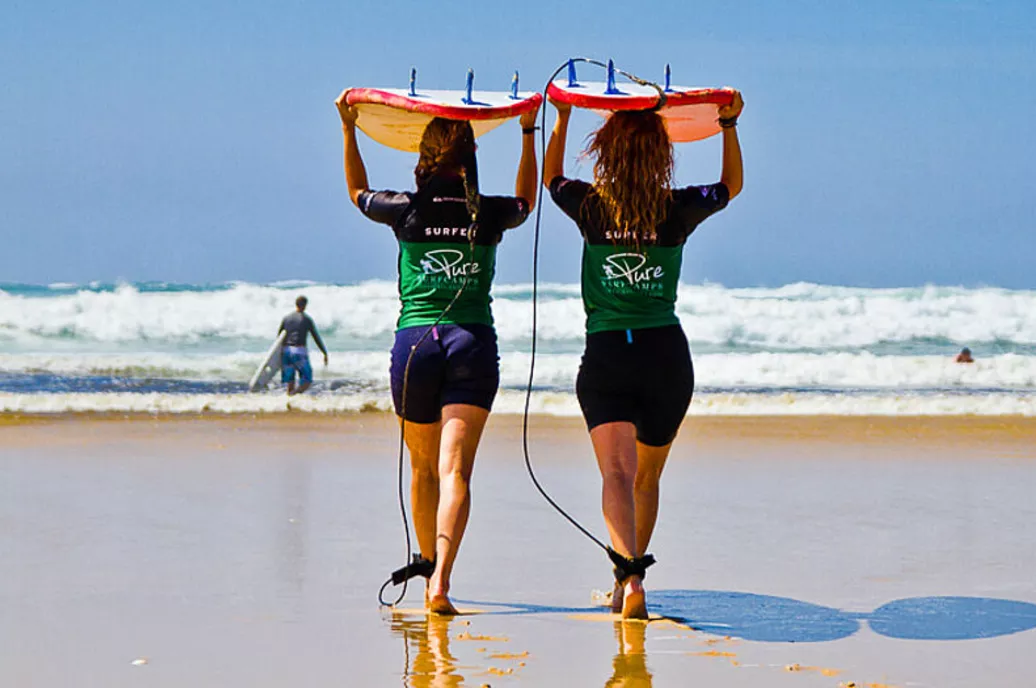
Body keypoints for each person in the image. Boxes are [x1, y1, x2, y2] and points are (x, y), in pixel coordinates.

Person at [336, 89, 538, 614]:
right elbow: (528, 200)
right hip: (471, 343)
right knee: (456, 473)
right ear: (470, 159)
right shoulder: (488, 212)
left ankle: (427, 560)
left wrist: (349, 127)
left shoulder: (405, 208)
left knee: (422, 470)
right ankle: (440, 581)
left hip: (415, 346)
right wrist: (525, 132)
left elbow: (356, 191)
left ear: (423, 159)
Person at [543, 92, 744, 619]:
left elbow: (552, 178)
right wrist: (728, 124)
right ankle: (628, 580)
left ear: (608, 152)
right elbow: (730, 187)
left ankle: (628, 579)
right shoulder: (676, 207)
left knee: (614, 475)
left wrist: (561, 118)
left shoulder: (590, 205)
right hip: (665, 358)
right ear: (662, 155)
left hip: (607, 354)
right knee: (645, 479)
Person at [278, 295, 328, 396]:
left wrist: (279, 355)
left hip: (286, 351)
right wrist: (324, 352)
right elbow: (315, 336)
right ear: (305, 305)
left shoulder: (286, 318)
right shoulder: (306, 319)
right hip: (299, 351)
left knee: (290, 382)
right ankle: (294, 395)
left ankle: (289, 402)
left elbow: (279, 337)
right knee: (307, 381)